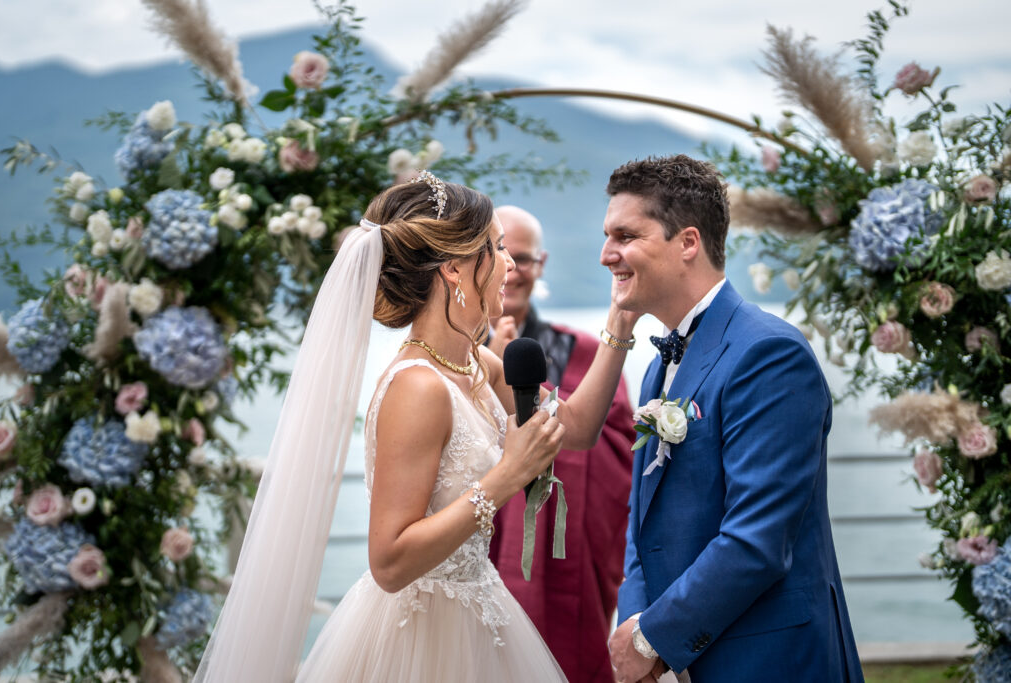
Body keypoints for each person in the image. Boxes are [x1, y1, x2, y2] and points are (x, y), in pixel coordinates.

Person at [195, 172, 640, 682]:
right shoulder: (418, 387)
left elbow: (577, 430)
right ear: (454, 269)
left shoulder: (479, 364)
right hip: (419, 635)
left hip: (482, 613)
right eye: (497, 248)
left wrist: (620, 323)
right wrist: (507, 476)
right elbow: (389, 562)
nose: (511, 266)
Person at [602, 156, 863, 683]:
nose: (607, 255)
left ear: (688, 243)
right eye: (608, 237)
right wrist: (635, 621)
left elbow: (757, 539)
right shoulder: (658, 367)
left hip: (767, 661)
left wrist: (654, 638)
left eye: (625, 236)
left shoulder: (768, 354)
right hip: (684, 656)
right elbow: (642, 518)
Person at [486, 205, 635, 683]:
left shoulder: (582, 352)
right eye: (500, 252)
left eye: (523, 258)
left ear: (542, 264)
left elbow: (613, 445)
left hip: (568, 563)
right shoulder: (449, 357)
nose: (512, 268)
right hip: (477, 547)